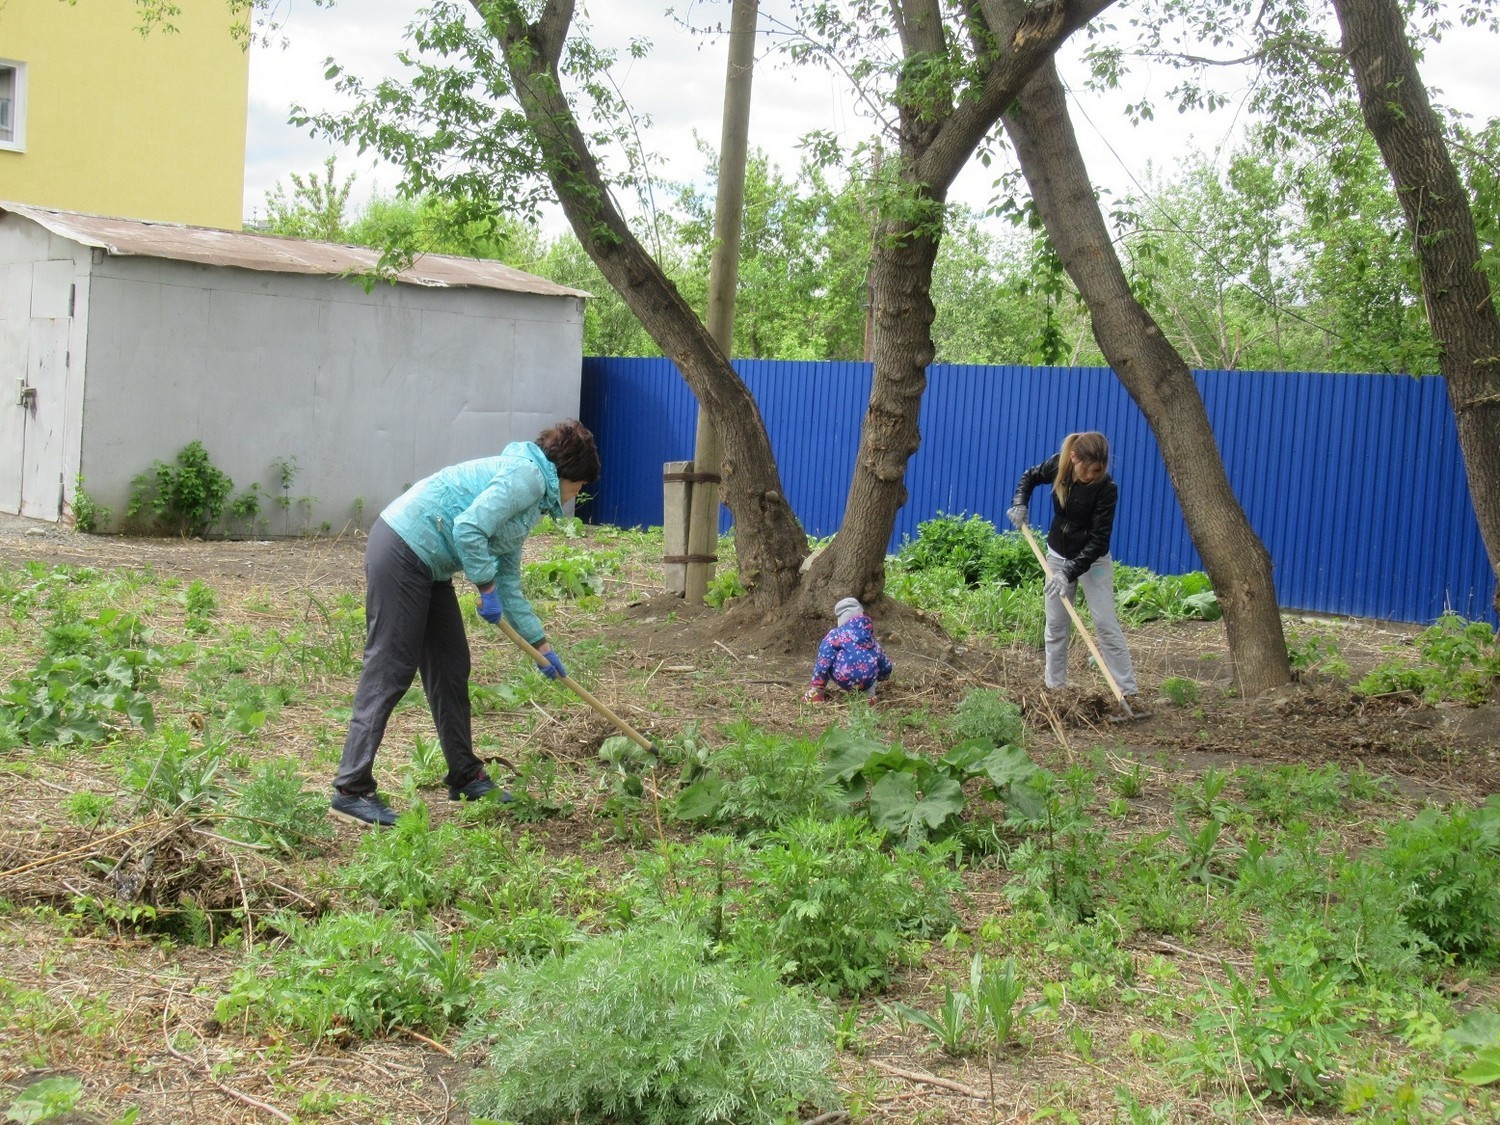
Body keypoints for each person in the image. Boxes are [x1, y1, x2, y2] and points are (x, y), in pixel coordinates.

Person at [330, 419, 601, 827]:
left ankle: (464, 775)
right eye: (580, 485)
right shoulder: (526, 477)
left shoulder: (530, 501)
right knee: (391, 667)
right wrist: (484, 586)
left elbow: (507, 575)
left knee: (451, 667)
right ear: (567, 473)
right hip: (404, 546)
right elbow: (469, 528)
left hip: (430, 563)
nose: (578, 493)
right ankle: (351, 789)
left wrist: (541, 645)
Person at [1007, 431, 1138, 700]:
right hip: (1057, 555)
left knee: (1105, 623)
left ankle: (1127, 691)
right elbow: (1030, 476)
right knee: (1056, 625)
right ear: (1075, 457)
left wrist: (1069, 572)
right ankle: (1055, 689)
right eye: (1088, 471)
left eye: (1097, 472)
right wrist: (1020, 502)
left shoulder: (1106, 489)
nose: (1092, 477)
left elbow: (1099, 538)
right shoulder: (1059, 466)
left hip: (1094, 561)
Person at [803, 597, 893, 702]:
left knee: (827, 657)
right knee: (872, 663)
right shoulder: (871, 640)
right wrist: (881, 677)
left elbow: (823, 661)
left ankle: (816, 693)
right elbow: (886, 667)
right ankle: (868, 697)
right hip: (867, 681)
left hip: (845, 676)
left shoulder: (835, 635)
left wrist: (817, 684)